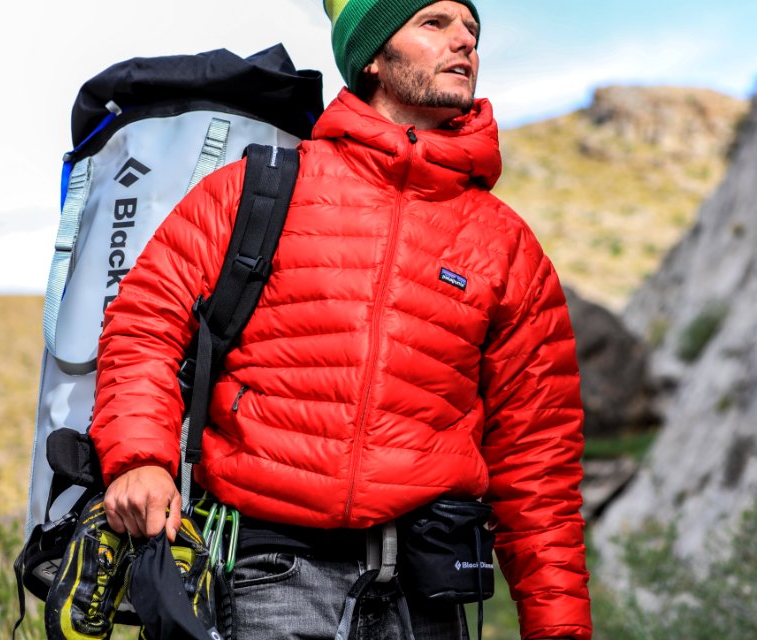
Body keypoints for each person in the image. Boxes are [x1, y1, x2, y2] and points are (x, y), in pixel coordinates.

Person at [90, 1, 592, 638]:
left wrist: (560, 628)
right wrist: (140, 457)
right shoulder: (256, 189)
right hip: (270, 575)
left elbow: (538, 459)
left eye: (471, 29)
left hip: (427, 593)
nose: (464, 41)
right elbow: (144, 322)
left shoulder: (505, 244)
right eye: (434, 24)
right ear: (373, 58)